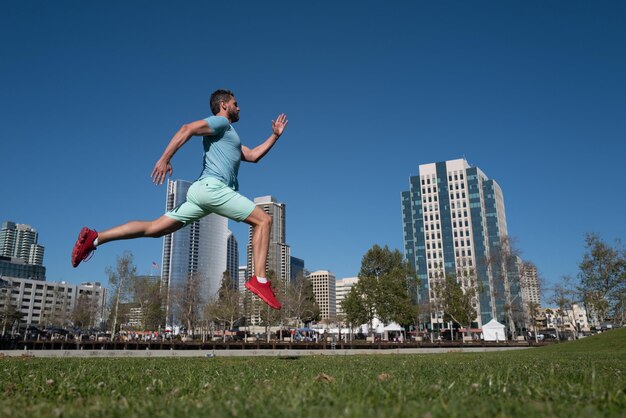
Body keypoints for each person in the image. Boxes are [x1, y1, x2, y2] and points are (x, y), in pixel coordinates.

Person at [71, 89, 287, 309]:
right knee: (264, 220)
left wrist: (275, 136)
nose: (239, 107)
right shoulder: (220, 124)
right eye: (235, 103)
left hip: (200, 193)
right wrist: (165, 158)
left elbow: (253, 156)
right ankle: (260, 280)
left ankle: (95, 239)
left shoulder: (229, 137)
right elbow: (187, 129)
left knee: (155, 228)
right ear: (223, 105)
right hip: (212, 188)